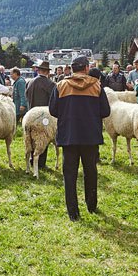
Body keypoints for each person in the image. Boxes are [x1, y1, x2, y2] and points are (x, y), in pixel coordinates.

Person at [48, 56, 110, 221]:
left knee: (69, 174)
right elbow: (105, 111)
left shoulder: (61, 86)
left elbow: (53, 110)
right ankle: (91, 204)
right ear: (86, 68)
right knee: (90, 170)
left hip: (69, 135)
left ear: (72, 69)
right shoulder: (96, 86)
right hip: (90, 136)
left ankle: (73, 212)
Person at [24, 61, 57, 169]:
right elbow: (54, 100)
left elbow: (26, 96)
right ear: (47, 72)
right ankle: (41, 163)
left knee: (31, 137)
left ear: (38, 70)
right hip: (44, 116)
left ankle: (32, 159)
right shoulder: (50, 84)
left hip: (31, 114)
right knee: (43, 137)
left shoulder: (29, 82)